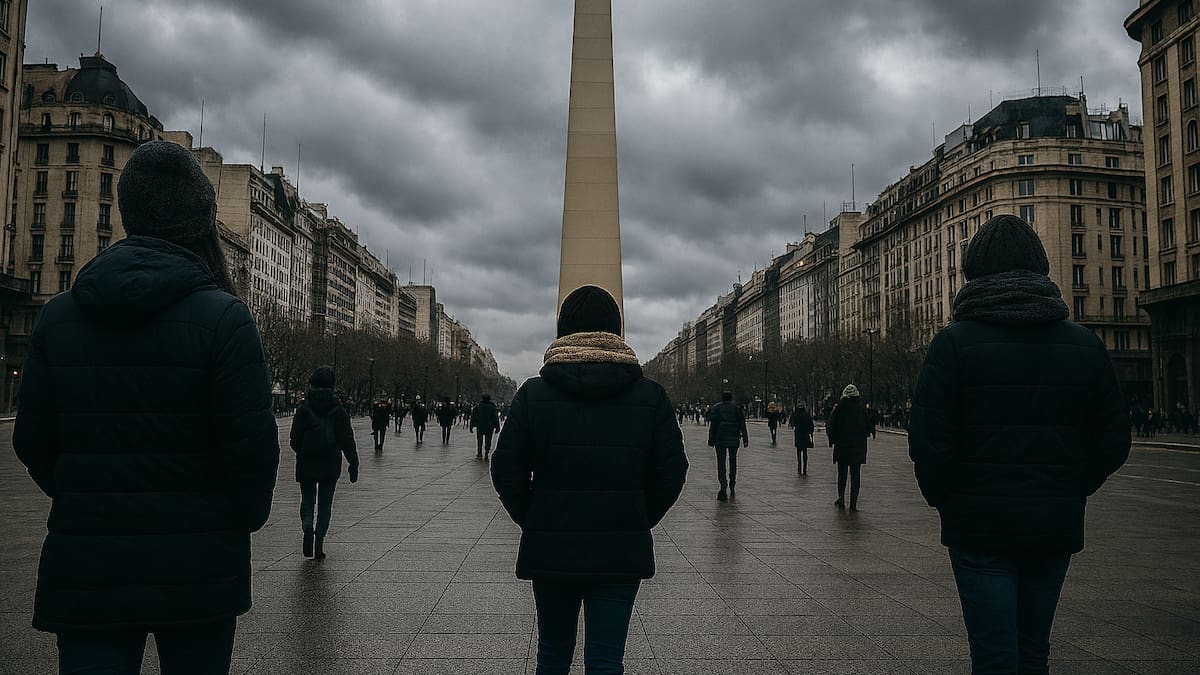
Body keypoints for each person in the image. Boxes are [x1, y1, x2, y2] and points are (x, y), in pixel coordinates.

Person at [12, 141, 280, 674]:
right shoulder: (226, 319)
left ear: (128, 212)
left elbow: (32, 442)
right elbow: (252, 455)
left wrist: (87, 497)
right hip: (200, 569)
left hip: (90, 565)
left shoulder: (60, 317)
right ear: (200, 218)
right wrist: (231, 522)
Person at [908, 214, 1130, 675]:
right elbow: (1113, 439)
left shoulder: (952, 345)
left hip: (978, 527)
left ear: (973, 273)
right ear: (1041, 269)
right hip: (1053, 523)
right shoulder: (1085, 345)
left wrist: (947, 498)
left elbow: (929, 440)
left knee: (993, 656)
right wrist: (1071, 487)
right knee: (1034, 653)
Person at [491, 285, 688, 675]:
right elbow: (672, 471)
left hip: (552, 547)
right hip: (619, 550)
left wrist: (535, 516)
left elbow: (505, 470)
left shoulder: (532, 395)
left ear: (563, 330)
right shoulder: (650, 397)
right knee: (605, 661)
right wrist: (636, 515)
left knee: (551, 655)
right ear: (616, 330)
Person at [291, 367, 359, 560]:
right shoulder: (338, 410)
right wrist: (353, 463)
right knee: (325, 504)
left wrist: (303, 452)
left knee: (307, 499)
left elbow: (294, 439)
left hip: (307, 463)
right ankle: (319, 541)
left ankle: (306, 524)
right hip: (330, 463)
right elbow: (347, 439)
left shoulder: (304, 409)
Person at [826, 384, 871, 511]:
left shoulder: (839, 408)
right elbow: (868, 426)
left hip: (842, 447)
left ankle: (841, 496)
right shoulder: (861, 409)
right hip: (857, 447)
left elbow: (831, 426)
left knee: (842, 473)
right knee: (855, 475)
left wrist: (832, 440)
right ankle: (853, 504)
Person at [707, 391, 749, 501]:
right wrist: (745, 438)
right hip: (734, 437)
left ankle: (723, 485)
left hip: (720, 438)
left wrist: (711, 439)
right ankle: (732, 483)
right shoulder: (736, 408)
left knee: (721, 463)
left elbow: (713, 425)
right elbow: (742, 423)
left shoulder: (717, 408)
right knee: (733, 461)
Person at [470, 394, 501, 460]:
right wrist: (497, 426)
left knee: (479, 440)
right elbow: (495, 417)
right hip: (490, 426)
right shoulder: (492, 407)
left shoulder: (478, 406)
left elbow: (473, 417)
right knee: (488, 440)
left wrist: (471, 425)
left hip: (480, 425)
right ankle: (486, 453)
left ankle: (479, 452)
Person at [789, 403, 815, 476]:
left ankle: (799, 466)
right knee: (805, 451)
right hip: (805, 435)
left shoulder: (796, 415)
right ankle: (805, 467)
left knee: (798, 451)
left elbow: (793, 424)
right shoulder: (807, 415)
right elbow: (811, 425)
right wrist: (810, 432)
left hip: (798, 435)